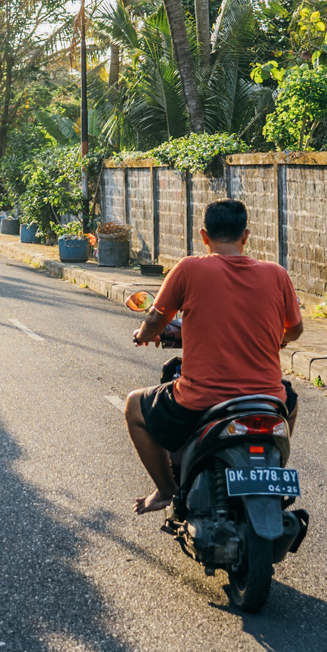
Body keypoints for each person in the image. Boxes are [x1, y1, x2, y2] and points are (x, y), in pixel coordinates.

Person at [125, 198, 303, 515]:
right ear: (245, 236)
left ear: (204, 236)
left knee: (134, 406)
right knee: (290, 398)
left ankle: (166, 490)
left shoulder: (190, 268)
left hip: (200, 400)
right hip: (266, 399)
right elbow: (294, 329)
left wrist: (143, 335)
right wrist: (276, 339)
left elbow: (155, 320)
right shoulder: (277, 274)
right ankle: (266, 473)